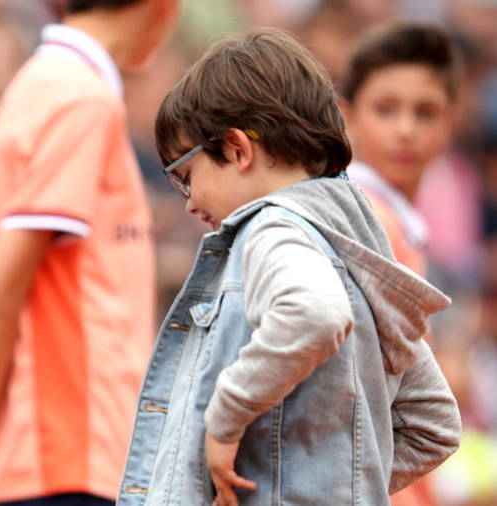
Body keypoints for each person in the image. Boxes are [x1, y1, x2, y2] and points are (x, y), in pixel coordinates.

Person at [117, 28, 461, 506]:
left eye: (185, 176)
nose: (191, 201)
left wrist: (224, 418)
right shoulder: (355, 244)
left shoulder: (272, 229)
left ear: (237, 149)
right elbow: (434, 422)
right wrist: (336, 485)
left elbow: (316, 313)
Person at [0, 0, 180, 504]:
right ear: (163, 8)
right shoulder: (80, 99)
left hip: (63, 455)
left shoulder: (47, 85)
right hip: (68, 456)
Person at [339, 22, 463, 506]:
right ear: (347, 116)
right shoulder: (366, 220)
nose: (405, 129)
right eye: (385, 109)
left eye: (425, 111)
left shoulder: (395, 221)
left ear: (451, 124)